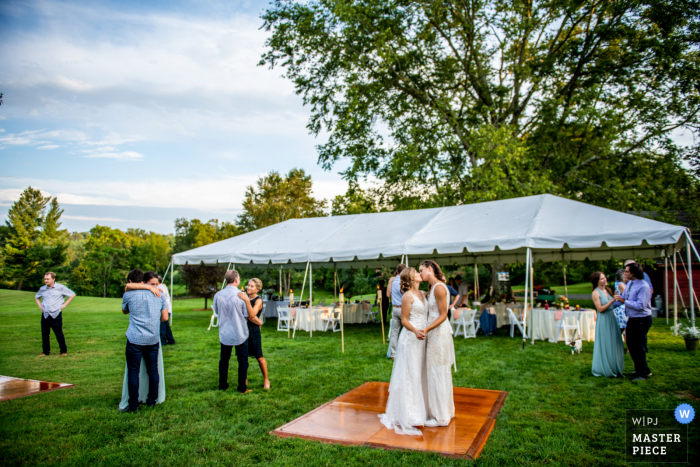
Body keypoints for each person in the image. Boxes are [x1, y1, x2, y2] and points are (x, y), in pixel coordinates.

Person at [378, 267, 428, 435]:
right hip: (410, 338)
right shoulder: (407, 296)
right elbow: (404, 320)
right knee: (409, 373)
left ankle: (420, 409)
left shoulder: (422, 294)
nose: (420, 274)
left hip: (421, 338)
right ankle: (409, 413)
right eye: (417, 272)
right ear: (411, 278)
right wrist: (416, 331)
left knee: (418, 373)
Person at [120, 268, 169, 413]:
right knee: (153, 370)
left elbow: (124, 310)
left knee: (133, 372)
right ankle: (152, 401)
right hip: (153, 338)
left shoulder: (128, 294)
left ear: (130, 281)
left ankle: (133, 405)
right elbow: (165, 318)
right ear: (143, 281)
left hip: (135, 338)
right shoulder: (159, 295)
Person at [419, 260, 456, 427]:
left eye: (421, 270)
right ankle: (445, 410)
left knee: (436, 370)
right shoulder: (433, 287)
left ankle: (440, 416)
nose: (420, 274)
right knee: (435, 369)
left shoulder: (439, 288)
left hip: (438, 333)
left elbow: (443, 315)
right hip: (433, 332)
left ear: (429, 268)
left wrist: (427, 329)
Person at [215, 270, 257, 394]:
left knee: (224, 359)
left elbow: (217, 311)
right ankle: (242, 387)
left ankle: (223, 385)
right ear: (237, 280)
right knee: (243, 360)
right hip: (239, 332)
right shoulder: (241, 295)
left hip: (225, 332)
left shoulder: (218, 295)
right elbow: (246, 314)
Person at [611, 263, 652, 381]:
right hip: (632, 319)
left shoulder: (644, 286)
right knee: (631, 345)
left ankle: (643, 373)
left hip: (642, 320)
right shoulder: (629, 284)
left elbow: (640, 305)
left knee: (638, 347)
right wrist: (607, 308)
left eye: (627, 272)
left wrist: (624, 301)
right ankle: (641, 369)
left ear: (633, 273)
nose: (625, 274)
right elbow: (621, 300)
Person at [590, 272, 624, 378]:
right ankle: (604, 368)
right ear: (596, 282)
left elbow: (611, 306)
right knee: (606, 342)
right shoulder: (596, 293)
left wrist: (621, 301)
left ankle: (614, 366)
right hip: (604, 320)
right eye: (602, 279)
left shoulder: (608, 290)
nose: (605, 280)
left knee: (615, 342)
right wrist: (612, 301)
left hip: (612, 318)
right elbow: (600, 309)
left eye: (605, 278)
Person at [126, 273, 176, 345]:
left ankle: (165, 341)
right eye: (152, 284)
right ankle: (167, 340)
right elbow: (128, 285)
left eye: (156, 284)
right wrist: (149, 288)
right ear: (144, 282)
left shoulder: (159, 291)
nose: (155, 286)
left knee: (164, 327)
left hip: (162, 313)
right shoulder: (150, 291)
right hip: (151, 336)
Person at [238, 278, 269, 390]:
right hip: (242, 329)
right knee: (243, 357)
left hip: (253, 331)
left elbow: (251, 314)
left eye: (252, 286)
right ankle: (244, 380)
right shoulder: (242, 297)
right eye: (248, 285)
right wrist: (259, 321)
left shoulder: (258, 300)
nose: (248, 287)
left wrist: (246, 301)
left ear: (258, 289)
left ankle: (266, 379)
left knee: (259, 356)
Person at [35, 272, 75, 357]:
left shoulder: (61, 288)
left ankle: (63, 351)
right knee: (45, 334)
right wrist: (41, 307)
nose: (46, 281)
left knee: (58, 333)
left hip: (56, 314)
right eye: (45, 279)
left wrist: (64, 305)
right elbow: (37, 297)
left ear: (53, 279)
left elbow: (72, 294)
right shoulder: (42, 289)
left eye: (48, 279)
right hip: (45, 314)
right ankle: (45, 352)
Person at [387, 264, 407, 359]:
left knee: (395, 332)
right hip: (404, 309)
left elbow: (388, 294)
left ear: (397, 271)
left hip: (395, 308)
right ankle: (405, 352)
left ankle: (393, 354)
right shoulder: (405, 281)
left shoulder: (392, 280)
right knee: (406, 331)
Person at [613, 269, 628, 336]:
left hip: (618, 307)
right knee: (623, 328)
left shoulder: (617, 283)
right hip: (622, 308)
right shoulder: (621, 285)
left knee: (621, 329)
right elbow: (628, 296)